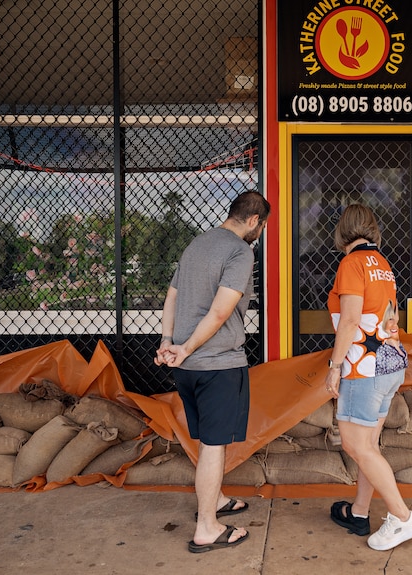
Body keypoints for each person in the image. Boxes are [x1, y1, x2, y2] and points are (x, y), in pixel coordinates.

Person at [154, 191, 271, 553]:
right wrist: (187, 347)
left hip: (187, 368)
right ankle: (206, 527)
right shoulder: (240, 252)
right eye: (263, 226)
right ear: (254, 220)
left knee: (207, 441)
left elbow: (172, 296)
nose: (261, 233)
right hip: (217, 363)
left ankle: (216, 499)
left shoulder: (197, 244)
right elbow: (221, 312)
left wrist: (169, 342)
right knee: (213, 445)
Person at [325, 203, 412, 551]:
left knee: (357, 446)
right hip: (390, 364)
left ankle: (401, 517)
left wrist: (335, 367)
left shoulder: (351, 264)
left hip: (362, 368)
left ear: (342, 232)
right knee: (370, 446)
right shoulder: (383, 265)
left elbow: (351, 320)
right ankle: (359, 512)